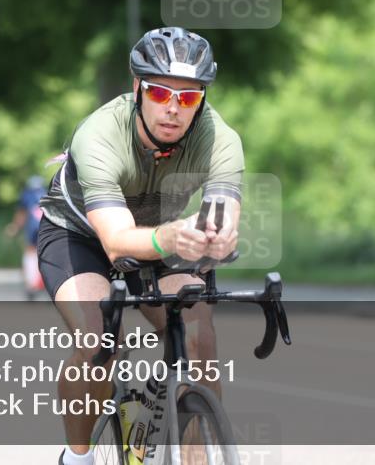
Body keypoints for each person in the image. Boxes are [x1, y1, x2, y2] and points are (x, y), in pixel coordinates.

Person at [37, 27, 243, 465]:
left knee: (198, 336)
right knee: (99, 341)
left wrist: (219, 237)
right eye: (160, 93)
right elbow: (115, 243)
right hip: (81, 235)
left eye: (188, 98)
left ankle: (196, 455)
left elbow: (223, 216)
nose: (173, 109)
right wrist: (170, 237)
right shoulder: (100, 134)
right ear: (138, 90)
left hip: (162, 231)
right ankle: (78, 456)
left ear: (202, 100)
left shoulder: (220, 138)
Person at [5, 174, 47, 299]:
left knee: (30, 253)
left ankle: (31, 284)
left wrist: (15, 227)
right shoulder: (48, 193)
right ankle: (45, 282)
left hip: (32, 228)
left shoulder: (26, 194)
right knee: (46, 254)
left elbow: (21, 214)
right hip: (48, 228)